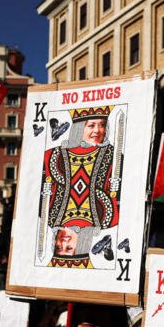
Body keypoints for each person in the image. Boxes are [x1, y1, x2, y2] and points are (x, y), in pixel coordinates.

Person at [40, 106, 119, 268]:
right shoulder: (53, 155)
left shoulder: (114, 155)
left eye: (102, 125)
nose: (98, 130)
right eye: (91, 125)